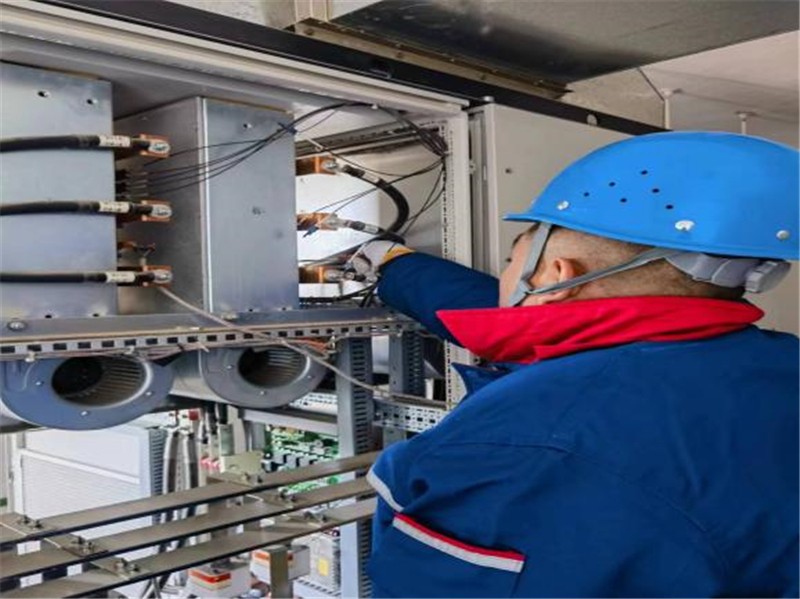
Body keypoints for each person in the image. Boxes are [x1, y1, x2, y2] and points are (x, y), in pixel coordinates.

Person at [355, 132, 799, 598]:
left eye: (510, 261)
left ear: (557, 276)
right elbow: (504, 316)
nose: (503, 278)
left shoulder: (518, 452)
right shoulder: (774, 362)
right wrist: (395, 265)